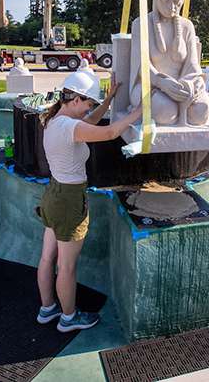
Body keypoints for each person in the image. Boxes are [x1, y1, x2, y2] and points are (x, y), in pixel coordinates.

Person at [36, 70, 141, 332]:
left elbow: (89, 123)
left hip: (53, 195)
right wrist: (141, 110)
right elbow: (109, 133)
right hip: (69, 201)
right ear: (75, 100)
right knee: (67, 266)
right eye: (88, 103)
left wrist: (106, 101)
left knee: (48, 258)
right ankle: (68, 319)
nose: (89, 109)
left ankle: (47, 309)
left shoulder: (53, 120)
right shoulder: (70, 127)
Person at [129, 0, 209, 126]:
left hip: (182, 84)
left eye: (177, 2)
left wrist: (192, 83)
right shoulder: (140, 24)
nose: (172, 7)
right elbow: (141, 64)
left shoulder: (187, 26)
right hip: (150, 85)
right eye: (166, 1)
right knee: (167, 113)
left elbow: (192, 62)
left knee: (202, 112)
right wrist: (161, 82)